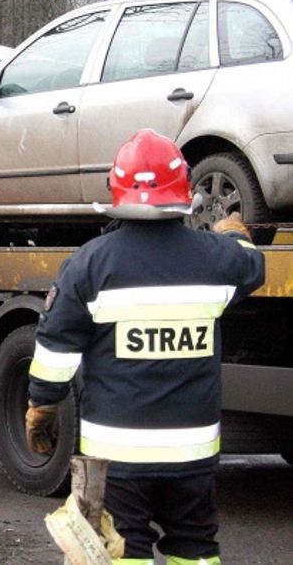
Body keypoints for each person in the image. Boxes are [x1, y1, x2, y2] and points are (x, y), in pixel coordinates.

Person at [25, 129, 265, 565]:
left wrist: (42, 405)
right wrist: (234, 235)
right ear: (185, 191)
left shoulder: (90, 263)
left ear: (116, 189)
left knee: (123, 547)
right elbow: (252, 266)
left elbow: (56, 351)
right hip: (193, 452)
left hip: (117, 455)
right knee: (195, 546)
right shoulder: (217, 259)